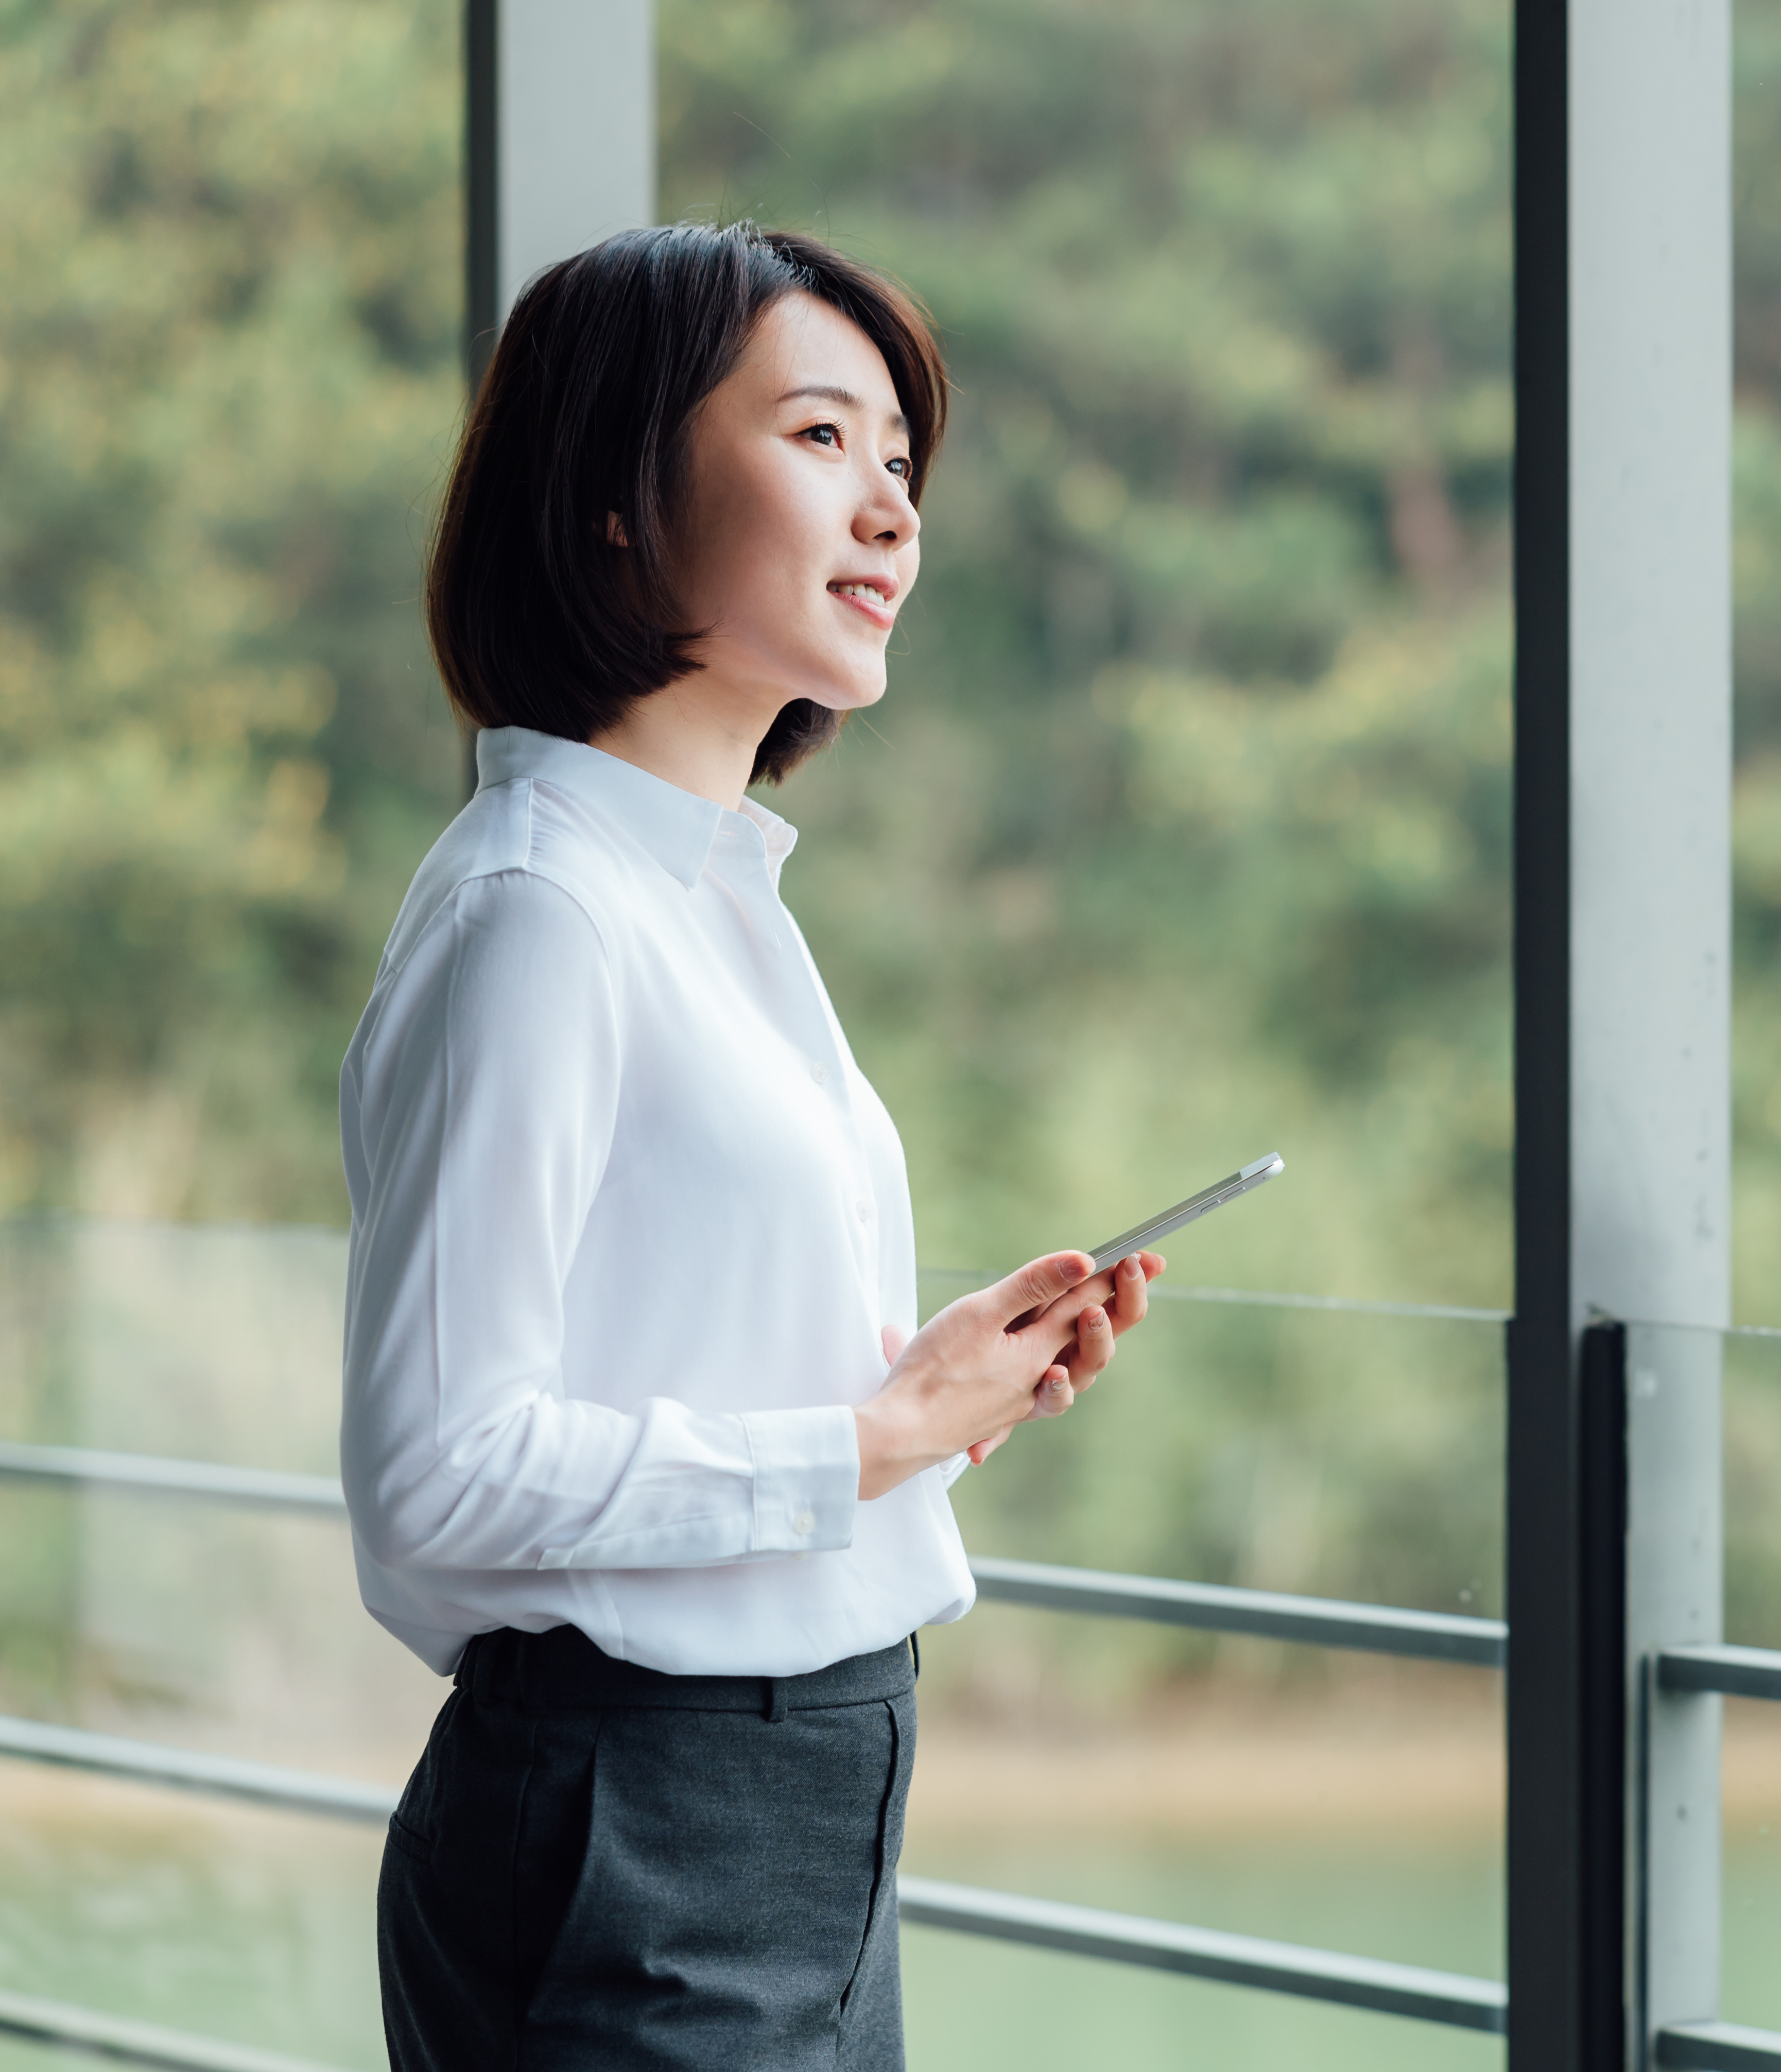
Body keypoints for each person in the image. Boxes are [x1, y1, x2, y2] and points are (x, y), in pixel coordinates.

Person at [339, 221, 1157, 2069]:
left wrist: (933, 1398)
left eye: (902, 459)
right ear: (616, 499)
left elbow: (677, 1362)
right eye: (818, 437)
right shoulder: (538, 914)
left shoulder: (710, 902)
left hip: (804, 1811)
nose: (892, 510)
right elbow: (439, 1479)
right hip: (640, 1831)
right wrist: (865, 1442)